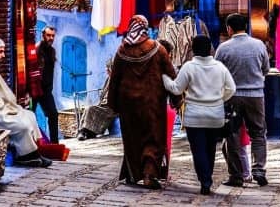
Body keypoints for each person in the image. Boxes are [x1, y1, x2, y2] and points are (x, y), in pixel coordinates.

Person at [106, 15, 180, 189]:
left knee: (132, 138)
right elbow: (171, 74)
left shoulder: (121, 50)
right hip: (152, 103)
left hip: (127, 104)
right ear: (145, 28)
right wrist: (177, 98)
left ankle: (133, 175)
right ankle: (149, 174)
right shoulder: (158, 48)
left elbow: (114, 79)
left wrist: (113, 105)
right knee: (153, 138)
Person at [162, 35, 236, 195]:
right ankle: (207, 178)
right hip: (215, 116)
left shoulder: (189, 67)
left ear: (193, 49)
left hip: (194, 116)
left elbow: (176, 89)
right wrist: (218, 99)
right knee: (210, 149)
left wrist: (165, 78)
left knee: (198, 150)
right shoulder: (220, 67)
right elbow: (232, 89)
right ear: (210, 49)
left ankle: (205, 181)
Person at [215, 13, 270, 187]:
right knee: (258, 134)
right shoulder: (259, 45)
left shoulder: (223, 48)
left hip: (232, 97)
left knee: (232, 135)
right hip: (256, 96)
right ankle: (259, 169)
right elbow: (266, 69)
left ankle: (237, 175)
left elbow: (216, 74)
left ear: (229, 28)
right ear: (245, 26)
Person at [0, 36, 52, 167]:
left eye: (3, 51)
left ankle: (35, 152)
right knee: (23, 126)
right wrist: (8, 108)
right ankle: (26, 156)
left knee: (30, 115)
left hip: (5, 109)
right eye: (0, 51)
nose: (3, 55)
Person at [77, 55, 117, 141]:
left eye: (108, 69)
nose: (106, 71)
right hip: (104, 105)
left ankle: (84, 131)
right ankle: (83, 131)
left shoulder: (116, 80)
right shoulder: (108, 79)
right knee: (88, 108)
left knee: (91, 109)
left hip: (111, 108)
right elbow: (103, 93)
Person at [31, 26, 59, 142]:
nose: (51, 38)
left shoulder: (52, 51)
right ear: (43, 35)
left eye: (53, 36)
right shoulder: (37, 49)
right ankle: (33, 144)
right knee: (30, 116)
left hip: (46, 90)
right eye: (48, 35)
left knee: (53, 115)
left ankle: (54, 144)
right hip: (35, 89)